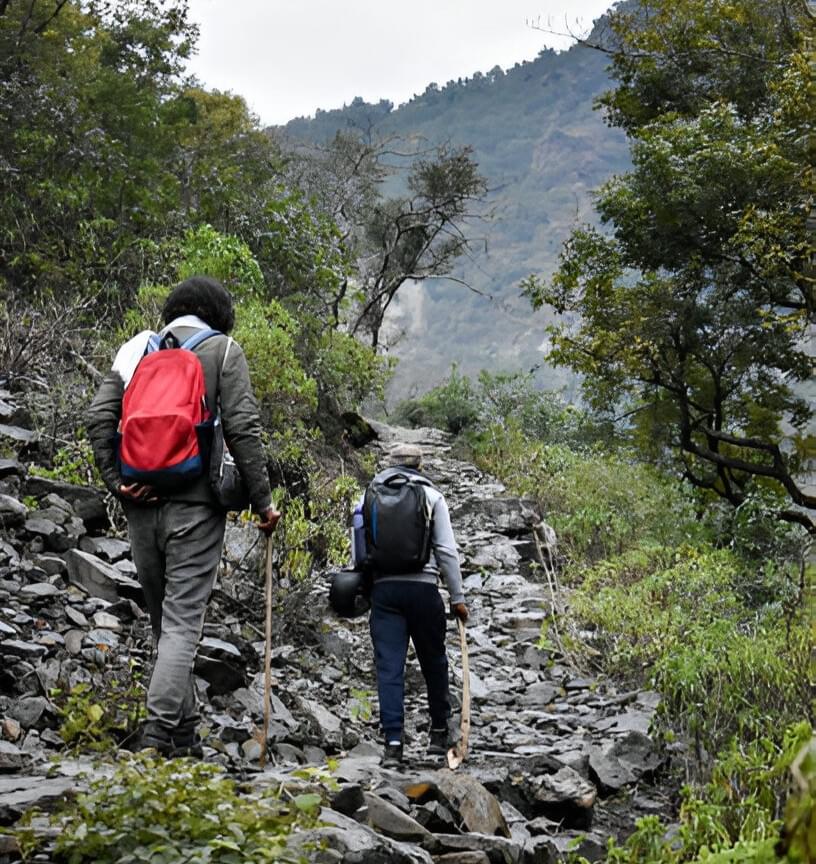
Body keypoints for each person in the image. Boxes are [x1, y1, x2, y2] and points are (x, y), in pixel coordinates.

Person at [86, 275, 279, 756]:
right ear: (218, 314)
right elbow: (243, 429)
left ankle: (184, 737)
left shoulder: (136, 349)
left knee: (165, 626)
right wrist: (263, 503)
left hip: (140, 506)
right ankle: (155, 739)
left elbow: (98, 417)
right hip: (196, 509)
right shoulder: (223, 350)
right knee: (181, 626)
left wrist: (116, 482)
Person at [361, 442, 468, 768]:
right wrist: (457, 597)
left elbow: (359, 546)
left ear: (391, 464)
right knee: (434, 661)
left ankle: (393, 744)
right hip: (424, 591)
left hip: (384, 591)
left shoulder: (369, 495)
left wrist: (367, 587)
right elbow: (446, 552)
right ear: (420, 466)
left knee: (389, 668)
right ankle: (438, 735)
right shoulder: (432, 497)